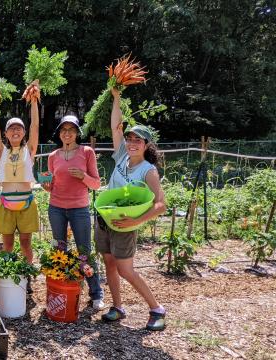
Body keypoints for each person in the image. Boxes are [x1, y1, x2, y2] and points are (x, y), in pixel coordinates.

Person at [97, 87, 167, 331]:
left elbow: (161, 205)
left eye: (138, 140)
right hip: (105, 216)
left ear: (146, 144)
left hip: (126, 223)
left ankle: (157, 308)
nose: (132, 143)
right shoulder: (121, 156)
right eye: (130, 139)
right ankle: (118, 307)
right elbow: (116, 124)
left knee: (126, 270)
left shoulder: (148, 170)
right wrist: (116, 97)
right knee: (109, 263)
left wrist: (135, 221)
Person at [42, 115, 105, 310]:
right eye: (63, 130)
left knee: (84, 251)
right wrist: (46, 185)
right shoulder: (53, 156)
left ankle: (96, 294)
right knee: (59, 249)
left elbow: (96, 183)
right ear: (59, 134)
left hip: (79, 208)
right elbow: (50, 186)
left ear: (77, 133)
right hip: (56, 207)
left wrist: (83, 176)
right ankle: (62, 287)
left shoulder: (87, 152)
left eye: (71, 129)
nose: (67, 133)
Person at [0, 81, 39, 293]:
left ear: (24, 132)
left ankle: (27, 277)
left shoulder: (30, 150)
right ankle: (7, 275)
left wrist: (35, 100)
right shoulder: (2, 152)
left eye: (19, 128)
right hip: (6, 202)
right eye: (11, 129)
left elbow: (36, 126)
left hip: (27, 202)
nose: (15, 131)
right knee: (7, 245)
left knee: (26, 244)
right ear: (7, 134)